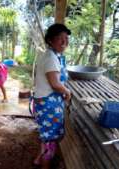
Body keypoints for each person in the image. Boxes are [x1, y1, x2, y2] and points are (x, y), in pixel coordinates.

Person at [32, 23, 71, 169]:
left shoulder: (52, 55)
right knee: (50, 140)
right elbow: (55, 84)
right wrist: (67, 91)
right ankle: (44, 165)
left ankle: (38, 160)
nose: (65, 42)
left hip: (45, 102)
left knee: (46, 136)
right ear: (50, 40)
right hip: (48, 104)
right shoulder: (51, 58)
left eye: (66, 38)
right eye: (60, 39)